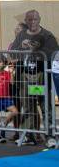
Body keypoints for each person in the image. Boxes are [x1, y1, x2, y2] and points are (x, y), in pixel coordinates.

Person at [10, 10, 58, 146]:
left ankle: (50, 136)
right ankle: (27, 135)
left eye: (35, 19)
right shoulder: (21, 35)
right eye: (29, 20)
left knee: (45, 106)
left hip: (40, 77)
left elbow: (55, 53)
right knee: (28, 106)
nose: (32, 22)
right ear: (26, 21)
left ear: (39, 19)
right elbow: (12, 54)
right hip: (25, 76)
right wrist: (21, 46)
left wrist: (38, 49)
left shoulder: (47, 35)